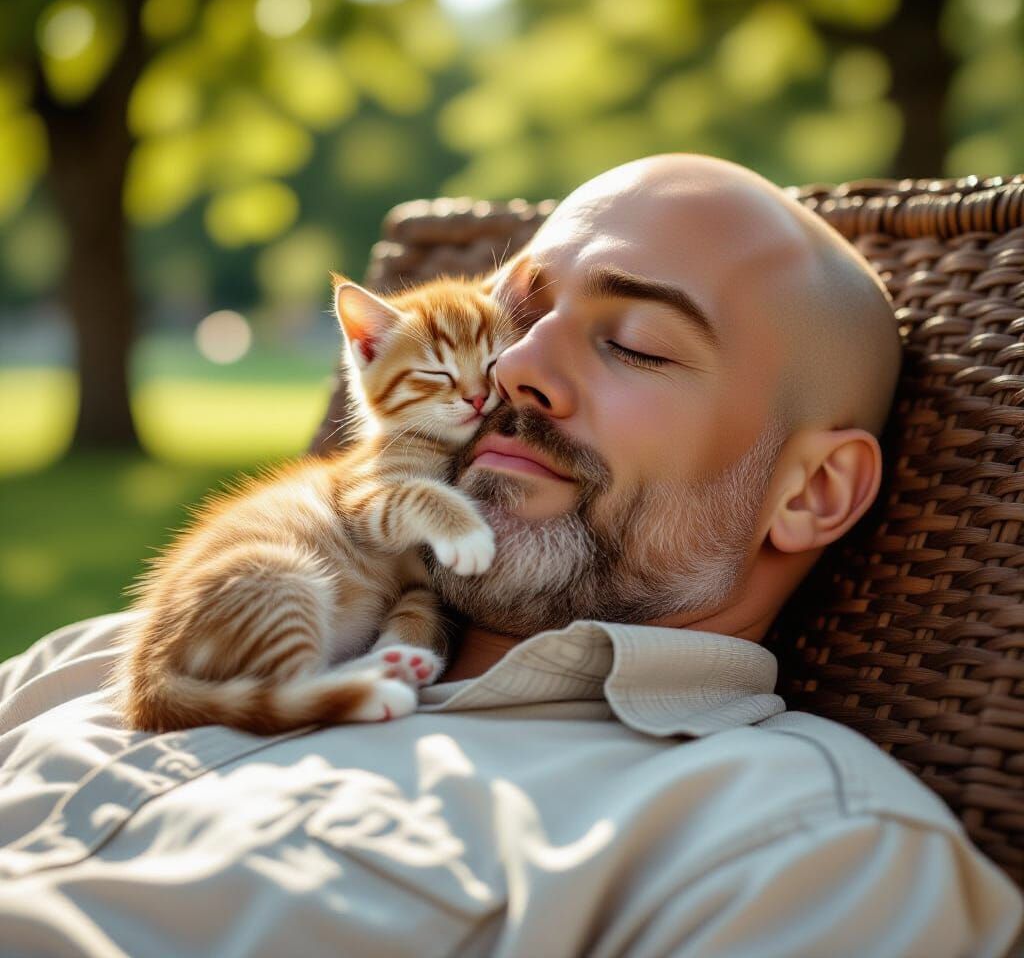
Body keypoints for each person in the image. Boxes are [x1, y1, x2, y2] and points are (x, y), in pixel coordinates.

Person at [0, 155, 1020, 957]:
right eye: (513, 317)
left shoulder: (796, 856)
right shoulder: (112, 649)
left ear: (808, 492)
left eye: (635, 343)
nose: (513, 368)